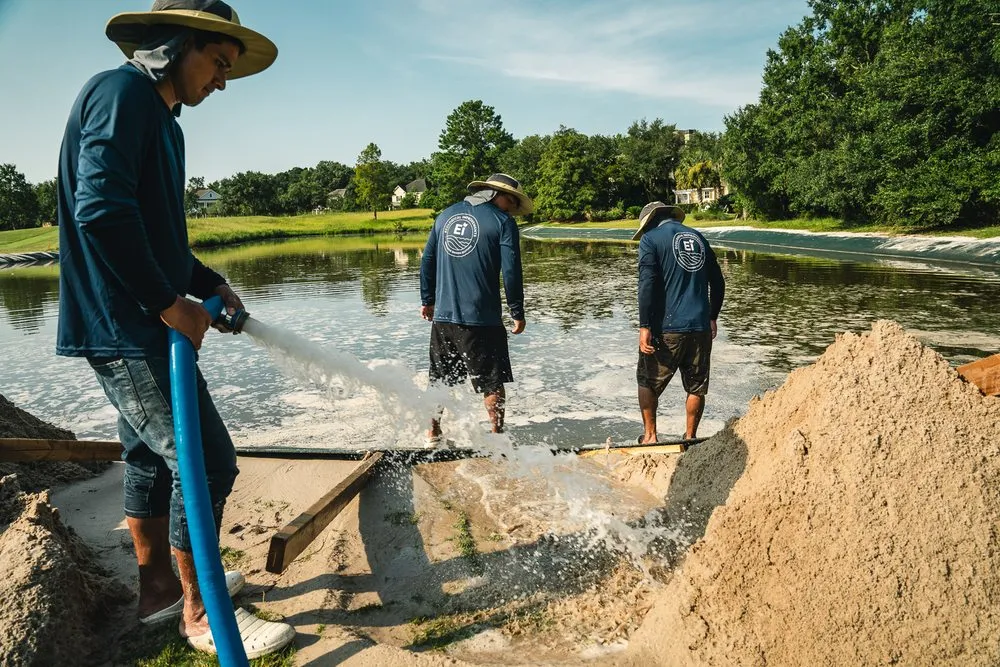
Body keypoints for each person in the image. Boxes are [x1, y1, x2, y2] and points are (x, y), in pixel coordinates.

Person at [56, 1, 294, 657]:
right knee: (208, 462)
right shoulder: (122, 94)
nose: (221, 81)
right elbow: (100, 210)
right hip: (127, 325)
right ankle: (202, 612)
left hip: (136, 321)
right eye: (218, 63)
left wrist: (207, 282)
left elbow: (156, 236)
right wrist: (168, 303)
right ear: (176, 46)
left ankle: (161, 591)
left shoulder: (161, 122)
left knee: (147, 460)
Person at [419, 173, 533, 443]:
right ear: (498, 195)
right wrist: (517, 310)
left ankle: (432, 433)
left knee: (439, 380)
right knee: (492, 382)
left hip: (443, 318)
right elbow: (512, 271)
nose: (513, 210)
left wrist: (427, 300)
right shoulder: (502, 222)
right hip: (482, 319)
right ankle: (497, 437)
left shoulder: (445, 216)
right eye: (512, 203)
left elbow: (427, 261)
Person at [634, 201, 725, 443]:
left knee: (647, 380)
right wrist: (712, 316)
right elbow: (718, 282)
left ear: (649, 222)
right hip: (700, 326)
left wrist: (645, 325)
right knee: (696, 386)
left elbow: (647, 285)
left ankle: (650, 437)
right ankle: (690, 437)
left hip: (667, 327)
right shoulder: (698, 238)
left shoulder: (651, 240)